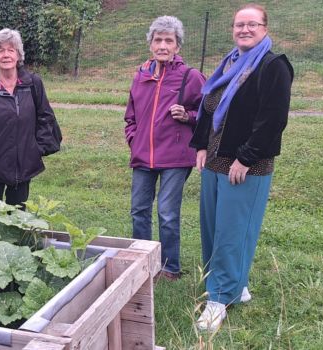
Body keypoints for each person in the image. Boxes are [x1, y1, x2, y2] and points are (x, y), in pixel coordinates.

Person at [189, 3, 294, 332]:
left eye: (252, 24)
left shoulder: (273, 66)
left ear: (265, 28)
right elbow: (208, 106)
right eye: (239, 25)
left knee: (233, 232)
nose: (244, 29)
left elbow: (272, 119)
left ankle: (219, 298)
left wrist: (246, 157)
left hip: (246, 165)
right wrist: (201, 144)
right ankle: (236, 285)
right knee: (212, 230)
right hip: (215, 161)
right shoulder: (230, 62)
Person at [124, 16, 206, 281]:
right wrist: (134, 139)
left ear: (177, 46)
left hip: (175, 157)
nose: (162, 45)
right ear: (150, 44)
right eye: (157, 40)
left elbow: (208, 113)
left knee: (167, 213)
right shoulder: (141, 76)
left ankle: (170, 267)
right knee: (139, 211)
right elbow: (130, 116)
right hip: (143, 156)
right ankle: (142, 262)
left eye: (168, 41)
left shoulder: (190, 76)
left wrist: (188, 116)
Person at [0, 28, 60, 207]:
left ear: (18, 55)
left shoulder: (33, 83)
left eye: (11, 50)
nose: (6, 55)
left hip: (24, 164)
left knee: (18, 215)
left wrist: (37, 149)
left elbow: (45, 117)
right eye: (0, 51)